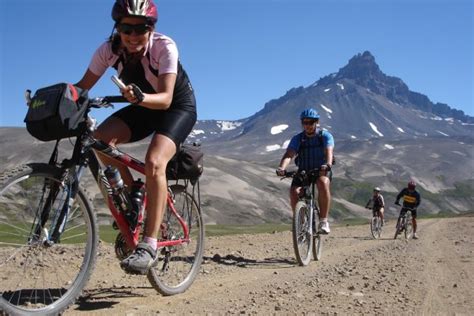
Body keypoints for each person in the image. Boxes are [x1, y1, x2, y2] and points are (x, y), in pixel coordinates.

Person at [76, 0, 197, 274]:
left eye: (140, 28)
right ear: (117, 27)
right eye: (125, 28)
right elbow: (82, 87)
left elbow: (165, 99)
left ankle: (150, 244)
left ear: (151, 28)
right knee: (101, 139)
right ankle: (134, 196)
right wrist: (57, 96)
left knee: (154, 162)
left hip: (176, 106)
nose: (132, 36)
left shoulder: (164, 46)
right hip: (142, 104)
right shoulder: (108, 50)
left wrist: (140, 97)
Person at [276, 108, 335, 234]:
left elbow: (329, 151)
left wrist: (328, 164)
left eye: (311, 122)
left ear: (317, 122)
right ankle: (301, 223)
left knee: (322, 183)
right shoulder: (298, 138)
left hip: (321, 169)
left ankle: (323, 221)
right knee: (294, 192)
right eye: (305, 122)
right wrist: (282, 168)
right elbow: (289, 154)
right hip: (304, 170)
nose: (307, 125)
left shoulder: (324, 136)